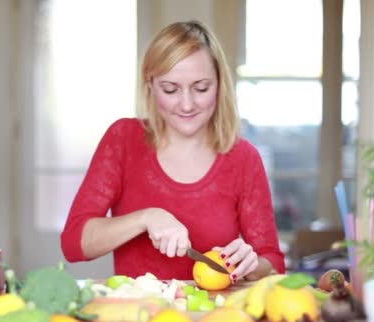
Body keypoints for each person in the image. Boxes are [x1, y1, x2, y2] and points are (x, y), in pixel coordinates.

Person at [61, 20, 285, 281]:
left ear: (220, 84)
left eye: (201, 88)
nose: (187, 104)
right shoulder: (123, 139)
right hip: (138, 316)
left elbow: (274, 262)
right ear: (151, 84)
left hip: (214, 317)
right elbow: (74, 244)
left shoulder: (244, 158)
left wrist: (251, 264)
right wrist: (145, 218)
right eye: (170, 89)